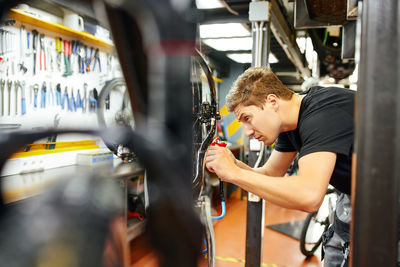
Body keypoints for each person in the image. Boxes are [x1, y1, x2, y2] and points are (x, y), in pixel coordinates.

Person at [205, 67, 355, 267]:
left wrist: (234, 174)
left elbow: (309, 196)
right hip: (353, 195)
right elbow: (271, 174)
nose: (247, 132)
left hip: (388, 198)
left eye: (247, 119)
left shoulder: (321, 114)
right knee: (336, 252)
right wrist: (233, 165)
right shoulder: (288, 124)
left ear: (272, 102)